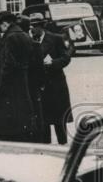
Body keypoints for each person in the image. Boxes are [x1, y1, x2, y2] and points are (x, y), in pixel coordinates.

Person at [0, 11, 41, 142]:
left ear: (5, 23)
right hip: (24, 78)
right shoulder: (24, 35)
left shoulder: (10, 37)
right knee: (23, 108)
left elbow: (8, 64)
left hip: (11, 82)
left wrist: (1, 85)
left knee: (10, 112)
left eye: (1, 26)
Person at [29, 12, 73, 144]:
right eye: (31, 26)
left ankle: (63, 144)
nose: (32, 29)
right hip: (40, 85)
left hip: (56, 85)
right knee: (44, 120)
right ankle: (46, 146)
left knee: (59, 120)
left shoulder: (56, 38)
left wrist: (53, 63)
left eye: (35, 26)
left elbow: (66, 58)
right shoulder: (30, 40)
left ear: (42, 27)